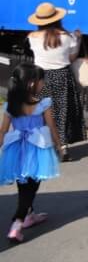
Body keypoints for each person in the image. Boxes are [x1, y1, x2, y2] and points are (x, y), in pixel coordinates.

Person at [0, 63, 61, 243]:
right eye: (41, 81)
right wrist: (59, 145)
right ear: (31, 83)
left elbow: (3, 130)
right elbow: (51, 127)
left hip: (17, 149)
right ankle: (17, 224)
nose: (43, 84)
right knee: (31, 188)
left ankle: (30, 215)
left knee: (23, 184)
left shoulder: (10, 106)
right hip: (38, 149)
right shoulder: (43, 104)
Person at [26, 2, 87, 160]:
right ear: (57, 19)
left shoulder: (32, 37)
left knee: (42, 113)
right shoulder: (67, 37)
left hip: (40, 78)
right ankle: (63, 148)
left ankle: (44, 147)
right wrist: (78, 40)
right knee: (62, 112)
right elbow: (71, 58)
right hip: (62, 77)